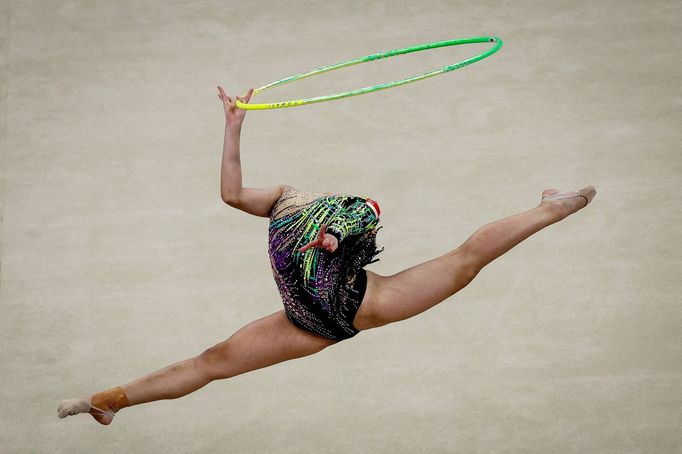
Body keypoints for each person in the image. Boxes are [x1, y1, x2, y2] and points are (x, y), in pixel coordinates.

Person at [58, 86, 597, 424]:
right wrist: (233, 127)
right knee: (210, 363)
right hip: (302, 322)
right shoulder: (281, 201)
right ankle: (111, 400)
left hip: (363, 302)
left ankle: (551, 208)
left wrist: (333, 239)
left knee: (463, 262)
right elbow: (229, 194)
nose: (302, 203)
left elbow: (363, 216)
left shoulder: (347, 208)